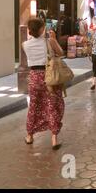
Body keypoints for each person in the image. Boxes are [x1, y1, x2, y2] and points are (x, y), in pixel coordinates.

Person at [22, 18, 65, 150]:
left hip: (34, 77)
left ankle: (29, 136)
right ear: (41, 29)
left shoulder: (25, 44)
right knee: (52, 105)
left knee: (34, 106)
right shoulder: (49, 41)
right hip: (49, 77)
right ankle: (54, 139)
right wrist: (54, 38)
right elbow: (61, 53)